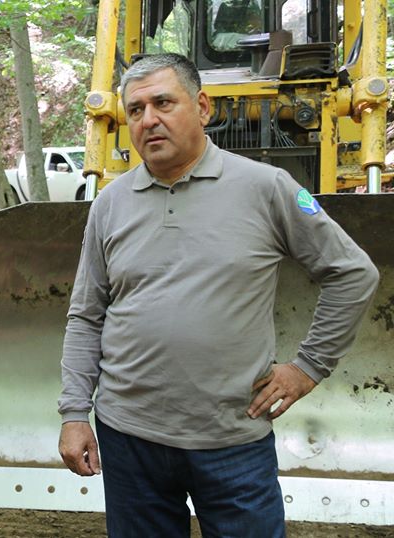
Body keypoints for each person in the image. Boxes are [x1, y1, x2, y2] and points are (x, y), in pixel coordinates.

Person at [57, 53, 379, 537]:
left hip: (232, 441)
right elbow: (86, 315)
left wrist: (308, 367)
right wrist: (74, 413)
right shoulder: (110, 203)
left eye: (164, 103)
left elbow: (352, 273)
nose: (149, 120)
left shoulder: (266, 188)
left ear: (203, 107)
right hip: (128, 440)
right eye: (136, 110)